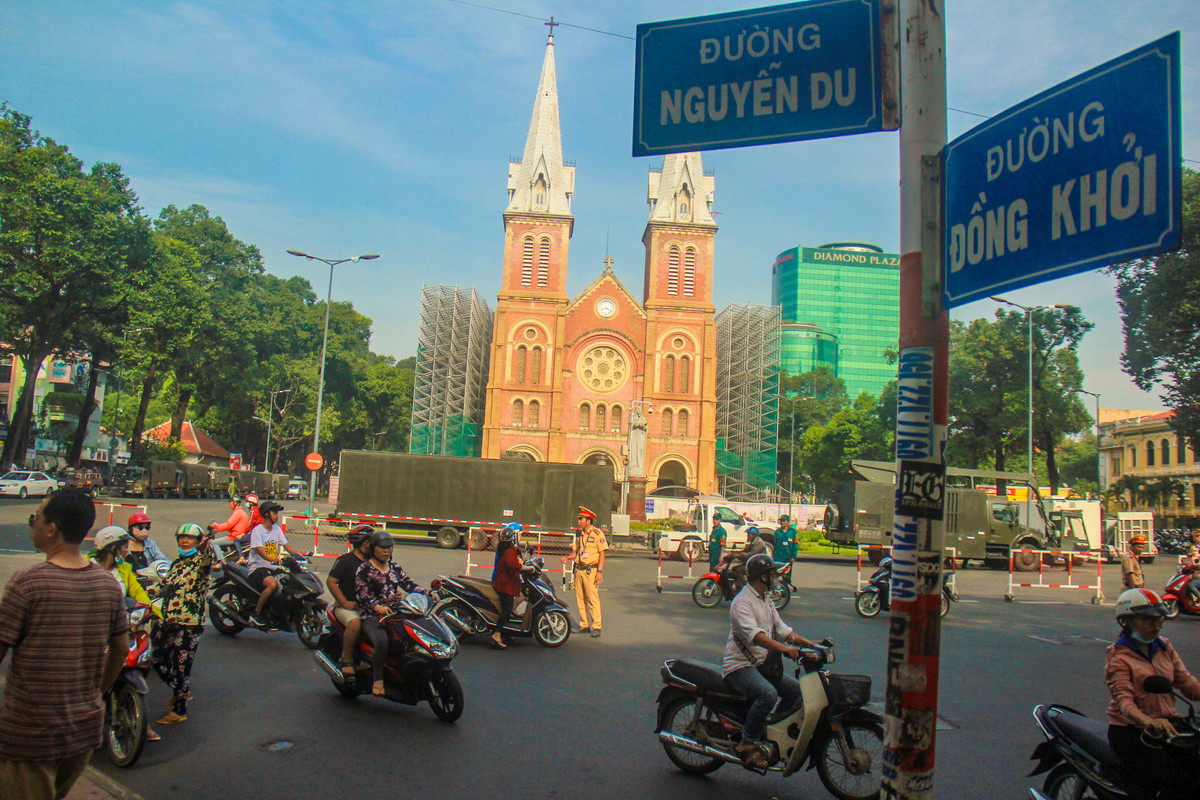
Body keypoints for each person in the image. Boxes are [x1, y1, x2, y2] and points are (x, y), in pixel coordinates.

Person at [0, 489, 128, 800]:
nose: (32, 524)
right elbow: (121, 650)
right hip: (82, 733)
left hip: (31, 735)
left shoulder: (28, 583)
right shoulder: (107, 584)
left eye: (35, 518)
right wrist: (95, 694)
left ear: (51, 529)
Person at [724, 553, 819, 768]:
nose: (775, 577)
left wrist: (809, 644)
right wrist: (785, 649)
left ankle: (768, 728)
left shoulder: (766, 600)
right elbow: (756, 636)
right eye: (772, 574)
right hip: (740, 667)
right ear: (762, 577)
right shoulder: (742, 602)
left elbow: (783, 630)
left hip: (762, 666)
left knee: (798, 693)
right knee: (768, 694)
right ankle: (746, 743)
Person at [1105, 588, 1200, 799]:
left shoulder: (1165, 648)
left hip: (1168, 728)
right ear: (1126, 621)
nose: (1156, 624)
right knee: (1174, 783)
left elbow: (1187, 683)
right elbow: (1124, 701)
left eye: (1159, 618)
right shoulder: (1119, 657)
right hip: (1133, 733)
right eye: (1148, 619)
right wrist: (1148, 721)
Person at [151, 523, 217, 727]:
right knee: (157, 660)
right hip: (168, 619)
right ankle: (181, 690)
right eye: (181, 537)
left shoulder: (201, 563)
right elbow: (161, 587)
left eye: (189, 538)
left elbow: (208, 559)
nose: (184, 541)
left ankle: (180, 709)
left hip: (189, 623)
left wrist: (206, 547)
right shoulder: (176, 564)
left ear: (198, 541)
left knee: (181, 667)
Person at [355, 531, 424, 697]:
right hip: (372, 616)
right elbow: (362, 595)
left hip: (396, 613)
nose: (386, 551)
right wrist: (377, 607)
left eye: (389, 548)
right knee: (382, 640)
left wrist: (427, 593)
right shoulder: (364, 569)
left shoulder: (394, 567)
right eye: (382, 547)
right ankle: (377, 679)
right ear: (373, 548)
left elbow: (409, 584)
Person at [325, 524, 375, 675]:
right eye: (370, 541)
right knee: (354, 623)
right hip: (346, 607)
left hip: (370, 606)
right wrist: (345, 602)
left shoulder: (374, 561)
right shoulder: (345, 560)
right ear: (364, 543)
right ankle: (347, 660)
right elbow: (331, 582)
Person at [246, 500, 300, 627]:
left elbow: (287, 545)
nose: (277, 515)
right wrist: (271, 559)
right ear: (266, 514)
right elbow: (259, 550)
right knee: (272, 584)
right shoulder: (257, 530)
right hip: (257, 568)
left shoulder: (276, 529)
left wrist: (300, 557)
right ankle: (257, 613)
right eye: (274, 512)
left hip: (271, 567)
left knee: (290, 581)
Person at [89, 525, 159, 613]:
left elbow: (138, 592)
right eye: (125, 547)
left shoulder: (125, 569)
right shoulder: (86, 566)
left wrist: (153, 611)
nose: (128, 551)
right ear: (113, 548)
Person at [562, 506, 607, 638]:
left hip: (591, 570)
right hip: (579, 570)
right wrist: (567, 557)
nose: (578, 521)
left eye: (581, 519)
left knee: (592, 599)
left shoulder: (598, 534)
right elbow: (575, 553)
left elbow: (602, 553)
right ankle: (584, 624)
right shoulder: (579, 534)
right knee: (580, 599)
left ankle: (597, 626)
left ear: (588, 521)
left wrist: (600, 571)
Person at [490, 522, 535, 650]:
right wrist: (525, 567)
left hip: (504, 580)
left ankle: (506, 632)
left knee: (511, 604)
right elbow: (513, 565)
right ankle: (497, 634)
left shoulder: (503, 547)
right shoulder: (509, 550)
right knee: (507, 608)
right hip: (504, 583)